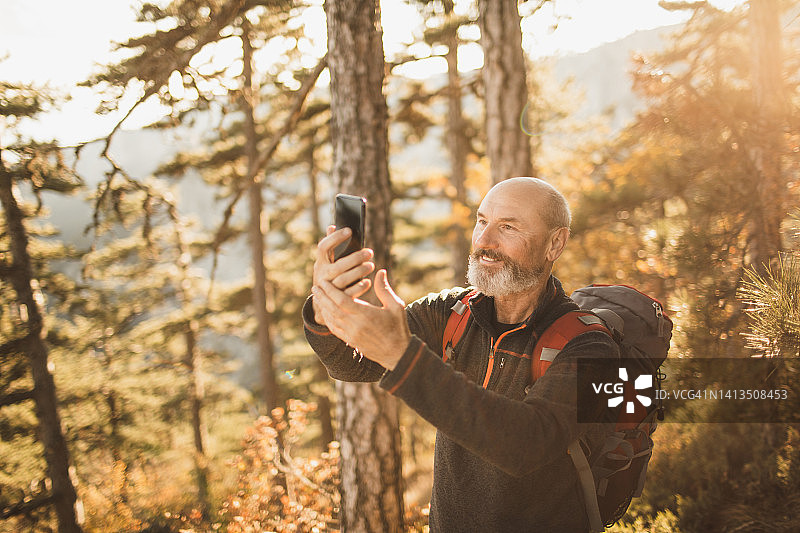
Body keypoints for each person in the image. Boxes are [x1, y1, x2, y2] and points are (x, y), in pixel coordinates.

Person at [303, 177, 618, 532]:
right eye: (481, 221)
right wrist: (323, 305)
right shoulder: (452, 313)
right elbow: (350, 363)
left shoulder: (590, 346)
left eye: (508, 227)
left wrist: (404, 356)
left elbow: (528, 444)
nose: (484, 241)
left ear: (555, 243)